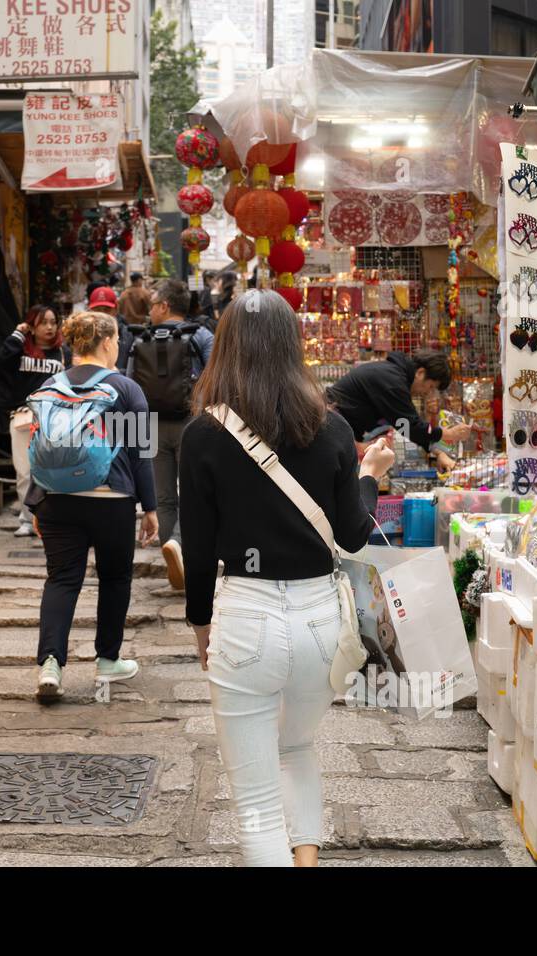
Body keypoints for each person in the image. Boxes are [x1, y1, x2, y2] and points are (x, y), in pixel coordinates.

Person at [179, 289, 396, 867]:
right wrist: (371, 474)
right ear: (292, 345)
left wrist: (201, 626)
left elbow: (198, 552)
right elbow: (352, 536)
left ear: (225, 347)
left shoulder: (203, 435)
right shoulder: (331, 429)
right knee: (298, 747)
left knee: (253, 800)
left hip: (247, 619)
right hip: (322, 622)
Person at [26, 311, 159, 701]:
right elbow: (141, 454)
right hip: (111, 499)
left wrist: (36, 505)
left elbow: (38, 446)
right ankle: (107, 660)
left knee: (62, 579)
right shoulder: (126, 388)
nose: (118, 345)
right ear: (105, 342)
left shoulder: (51, 384)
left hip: (57, 500)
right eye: (116, 338)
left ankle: (50, 664)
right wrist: (150, 508)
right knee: (115, 578)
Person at [128, 278, 213, 592]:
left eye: (152, 303)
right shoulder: (200, 335)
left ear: (164, 306)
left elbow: (129, 386)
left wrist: (133, 436)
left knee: (163, 497)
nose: (149, 309)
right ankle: (182, 551)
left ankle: (172, 556)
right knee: (194, 494)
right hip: (193, 423)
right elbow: (215, 378)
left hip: (151, 426)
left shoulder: (140, 339)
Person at [325, 349, 472, 471]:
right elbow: (411, 427)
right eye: (431, 386)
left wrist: (438, 452)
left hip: (335, 430)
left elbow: (406, 426)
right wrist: (449, 434)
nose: (428, 392)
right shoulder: (393, 382)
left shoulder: (394, 376)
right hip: (329, 429)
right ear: (420, 373)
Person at [0, 305, 70, 537]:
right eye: (43, 322)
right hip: (23, 416)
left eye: (53, 322)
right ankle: (28, 519)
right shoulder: (21, 350)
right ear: (32, 326)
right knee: (25, 471)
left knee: (53, 469)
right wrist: (18, 333)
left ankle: (52, 518)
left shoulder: (63, 352)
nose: (49, 327)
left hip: (54, 418)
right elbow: (0, 361)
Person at [87, 285, 132, 370]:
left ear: (116, 309)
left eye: (107, 309)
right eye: (97, 310)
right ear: (90, 311)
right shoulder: (83, 337)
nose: (102, 314)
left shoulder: (127, 336)